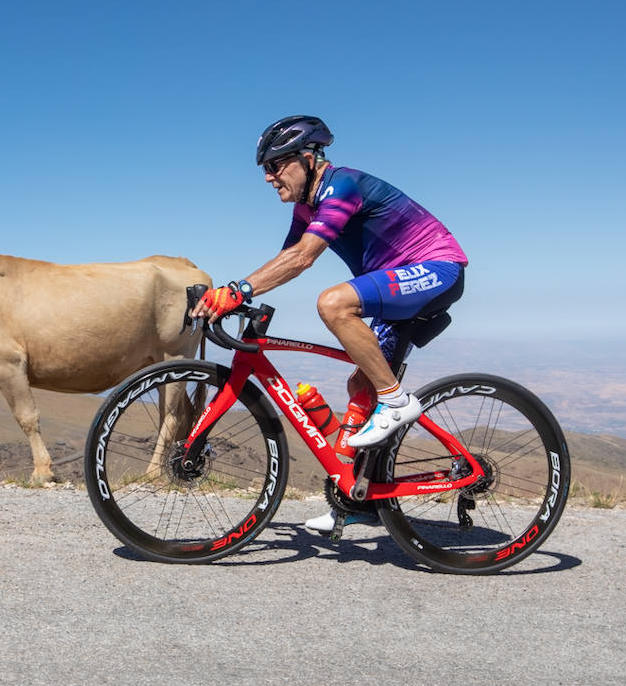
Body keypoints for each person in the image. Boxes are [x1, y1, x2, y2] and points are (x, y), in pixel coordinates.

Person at [190, 115, 468, 531]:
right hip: (402, 284)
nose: (268, 178)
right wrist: (236, 295)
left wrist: (238, 290)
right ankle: (355, 500)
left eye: (275, 166)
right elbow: (287, 259)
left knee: (334, 304)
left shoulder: (342, 186)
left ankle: (397, 402)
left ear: (307, 158)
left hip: (438, 268)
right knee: (360, 385)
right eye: (265, 169)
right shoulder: (308, 206)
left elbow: (304, 258)